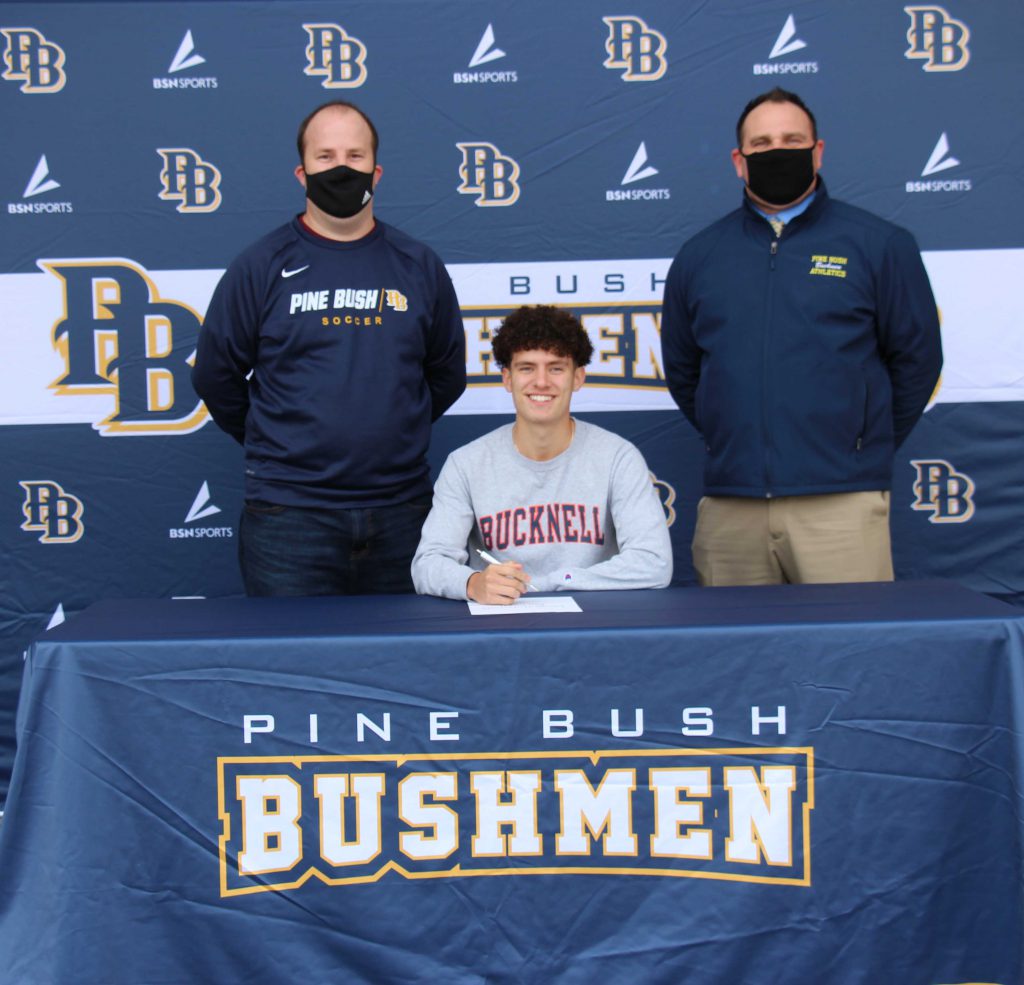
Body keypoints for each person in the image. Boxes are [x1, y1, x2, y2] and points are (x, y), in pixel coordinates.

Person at [660, 87, 942, 586]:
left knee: (851, 655)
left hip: (841, 505)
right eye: (762, 143)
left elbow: (916, 361)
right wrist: (738, 437)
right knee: (736, 659)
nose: (778, 151)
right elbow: (686, 373)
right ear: (738, 161)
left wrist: (858, 445)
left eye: (792, 139)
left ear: (818, 151)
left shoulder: (879, 245)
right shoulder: (699, 257)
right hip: (733, 509)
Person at [192, 100, 466, 596]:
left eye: (355, 156)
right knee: (291, 668)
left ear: (376, 172)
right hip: (289, 519)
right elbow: (215, 376)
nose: (341, 168)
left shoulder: (418, 265)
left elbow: (447, 374)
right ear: (302, 173)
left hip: (401, 512)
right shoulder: (261, 266)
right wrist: (277, 441)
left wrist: (390, 426)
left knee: (408, 668)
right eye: (325, 157)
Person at [412, 305, 672, 603]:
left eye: (556, 368)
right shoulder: (466, 464)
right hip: (500, 630)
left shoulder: (618, 458)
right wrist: (473, 583)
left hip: (595, 627)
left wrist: (553, 583)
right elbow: (428, 563)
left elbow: (654, 563)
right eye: (526, 368)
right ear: (507, 378)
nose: (541, 382)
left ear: (578, 377)